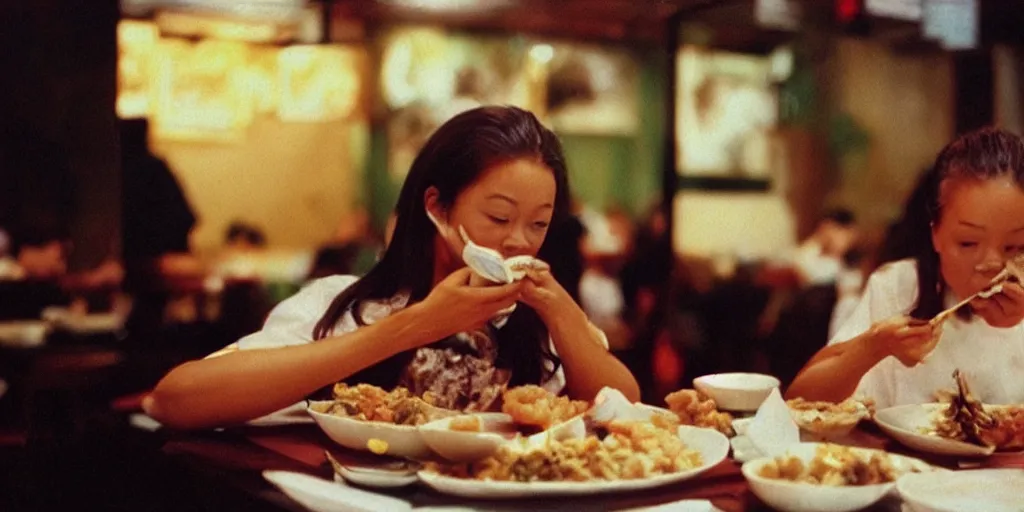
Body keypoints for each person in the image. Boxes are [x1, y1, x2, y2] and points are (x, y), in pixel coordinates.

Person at [143, 106, 640, 429]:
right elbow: (175, 401)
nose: (518, 240)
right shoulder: (349, 305)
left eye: (538, 224)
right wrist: (412, 326)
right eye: (498, 217)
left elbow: (627, 410)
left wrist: (564, 316)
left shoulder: (535, 326)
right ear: (438, 207)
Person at [786, 128, 1024, 407]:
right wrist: (873, 348)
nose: (991, 264)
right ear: (936, 233)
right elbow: (799, 399)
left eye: (1015, 246)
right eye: (968, 243)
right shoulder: (899, 288)